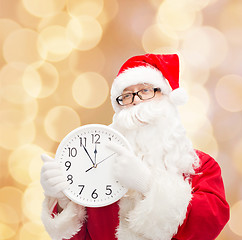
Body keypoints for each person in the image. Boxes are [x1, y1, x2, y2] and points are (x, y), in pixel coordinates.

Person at [40, 53, 230, 240]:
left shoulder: (201, 167)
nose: (136, 100)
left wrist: (147, 184)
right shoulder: (98, 170)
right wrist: (64, 200)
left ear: (166, 97)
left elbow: (208, 224)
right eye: (127, 95)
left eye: (145, 91)